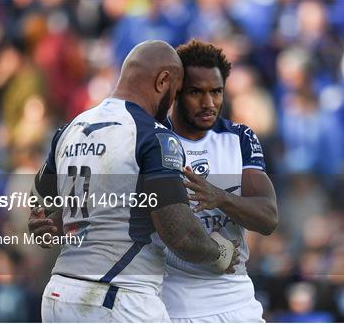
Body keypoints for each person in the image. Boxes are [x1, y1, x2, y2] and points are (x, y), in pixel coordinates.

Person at [29, 40, 239, 322]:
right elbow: (179, 233)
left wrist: (48, 224)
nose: (172, 105)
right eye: (175, 93)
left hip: (59, 295)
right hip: (118, 295)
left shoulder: (71, 128)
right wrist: (220, 252)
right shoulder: (153, 136)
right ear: (163, 80)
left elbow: (40, 202)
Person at [160, 39, 278, 322]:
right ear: (176, 91)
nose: (208, 103)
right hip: (173, 306)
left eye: (216, 92)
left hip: (236, 299)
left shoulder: (239, 138)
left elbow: (268, 218)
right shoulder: (153, 139)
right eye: (196, 92)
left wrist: (221, 197)